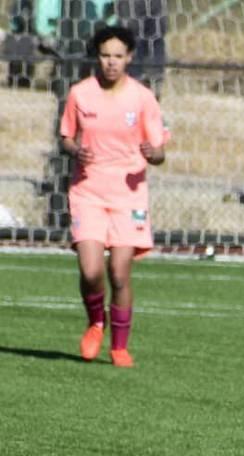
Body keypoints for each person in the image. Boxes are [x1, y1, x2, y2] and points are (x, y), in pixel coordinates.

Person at [60, 25, 167, 368]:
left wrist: (154, 153)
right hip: (88, 191)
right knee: (91, 270)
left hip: (129, 196)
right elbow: (66, 137)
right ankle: (95, 322)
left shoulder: (142, 97)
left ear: (129, 58)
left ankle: (119, 346)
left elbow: (160, 149)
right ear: (97, 56)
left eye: (118, 56)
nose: (111, 62)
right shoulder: (80, 94)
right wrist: (75, 149)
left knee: (119, 272)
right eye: (105, 55)